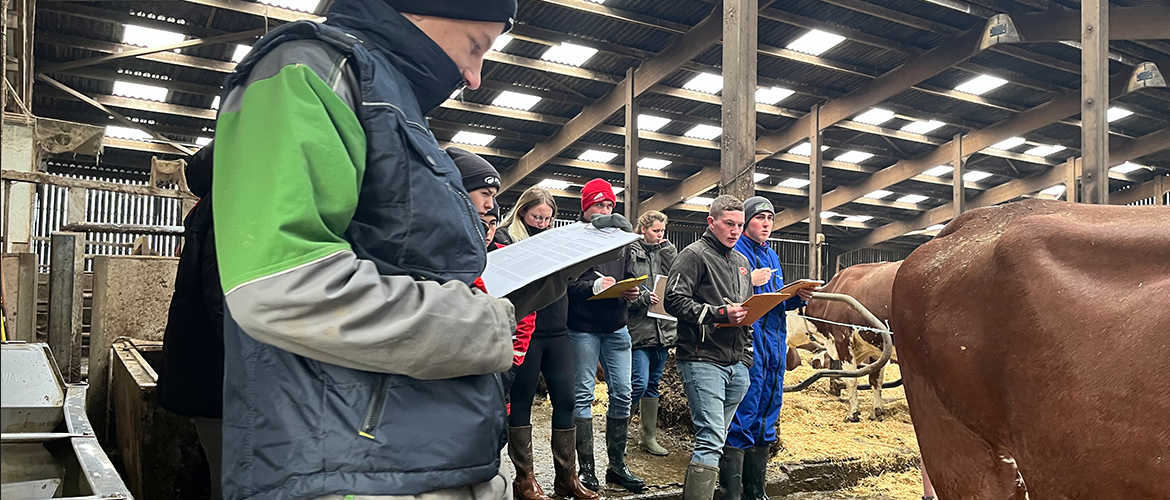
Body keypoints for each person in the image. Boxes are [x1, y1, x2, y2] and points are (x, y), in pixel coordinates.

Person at [209, 0, 547, 499]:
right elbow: (281, 284)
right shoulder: (311, 69)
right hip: (351, 466)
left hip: (421, 454)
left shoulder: (394, 103)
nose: (475, 76)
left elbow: (409, 264)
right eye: (477, 47)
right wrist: (487, 326)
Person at [499, 186, 599, 500]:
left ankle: (567, 477)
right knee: (523, 402)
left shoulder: (558, 242)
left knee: (567, 400)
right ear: (522, 213)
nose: (542, 223)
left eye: (547, 218)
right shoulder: (507, 240)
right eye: (536, 217)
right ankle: (524, 478)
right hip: (527, 334)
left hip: (558, 332)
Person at [663, 195, 754, 500]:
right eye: (729, 224)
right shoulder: (694, 255)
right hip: (702, 357)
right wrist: (717, 314)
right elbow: (673, 300)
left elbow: (747, 311)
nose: (735, 231)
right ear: (711, 222)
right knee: (711, 438)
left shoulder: (741, 262)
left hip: (736, 362)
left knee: (718, 436)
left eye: (740, 225)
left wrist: (746, 359)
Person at [724, 196, 814, 500]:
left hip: (774, 340)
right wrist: (750, 279)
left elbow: (776, 299)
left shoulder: (772, 256)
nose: (766, 224)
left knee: (768, 409)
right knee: (745, 408)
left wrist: (797, 296)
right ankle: (732, 490)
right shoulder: (736, 252)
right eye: (760, 217)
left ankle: (755, 489)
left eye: (770, 218)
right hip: (750, 340)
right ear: (747, 222)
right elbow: (726, 295)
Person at [567, 179, 645, 493]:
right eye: (599, 205)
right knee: (584, 394)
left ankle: (617, 465)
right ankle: (586, 469)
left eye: (610, 205)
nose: (605, 210)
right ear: (585, 208)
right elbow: (566, 285)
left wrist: (631, 289)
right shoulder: (573, 240)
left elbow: (626, 276)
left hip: (616, 326)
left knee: (624, 391)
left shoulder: (620, 241)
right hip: (583, 327)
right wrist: (593, 287)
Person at [157, 141, 224, 500]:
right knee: (231, 482)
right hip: (218, 377)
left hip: (203, 373)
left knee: (219, 473)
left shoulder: (205, 211)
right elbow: (223, 303)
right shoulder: (226, 213)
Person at [625, 210, 677, 457]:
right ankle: (620, 433)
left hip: (662, 330)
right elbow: (624, 289)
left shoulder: (665, 251)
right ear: (643, 229)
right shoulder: (630, 251)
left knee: (653, 383)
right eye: (656, 231)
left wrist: (666, 249)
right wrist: (643, 297)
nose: (660, 235)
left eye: (663, 231)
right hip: (638, 329)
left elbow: (675, 278)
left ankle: (648, 437)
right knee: (638, 382)